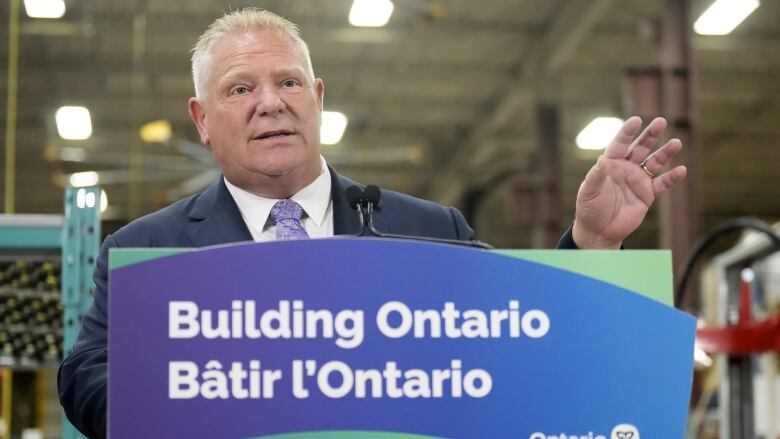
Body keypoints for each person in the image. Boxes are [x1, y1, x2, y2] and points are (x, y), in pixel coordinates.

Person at [57, 8, 687, 439]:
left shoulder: (430, 230)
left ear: (319, 97)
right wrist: (211, 395)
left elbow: (523, 347)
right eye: (239, 89)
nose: (270, 101)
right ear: (201, 118)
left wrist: (593, 243)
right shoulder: (146, 249)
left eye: (288, 81)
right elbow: (84, 380)